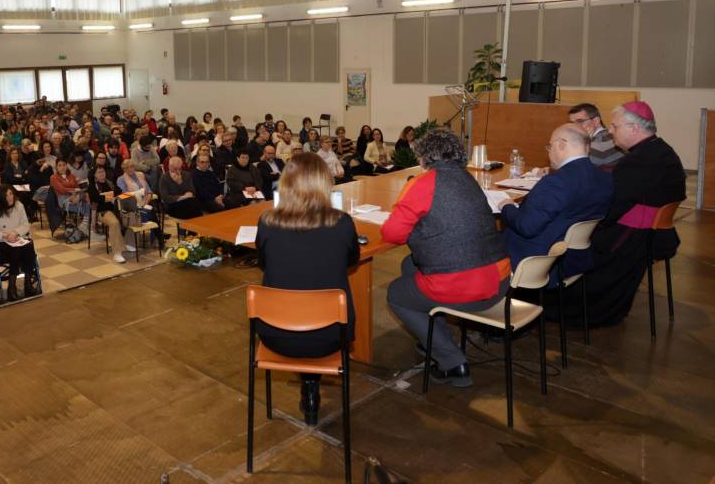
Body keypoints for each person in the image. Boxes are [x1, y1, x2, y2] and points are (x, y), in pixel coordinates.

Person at [382, 129, 511, 387]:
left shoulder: (422, 183)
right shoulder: (468, 178)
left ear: (423, 157)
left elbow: (393, 233)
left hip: (461, 286)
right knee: (409, 265)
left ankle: (453, 363)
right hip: (500, 279)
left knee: (396, 294)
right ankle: (431, 334)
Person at [255, 152, 360, 426]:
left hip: (274, 333)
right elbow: (351, 261)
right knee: (322, 299)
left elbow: (264, 264)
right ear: (325, 184)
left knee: (297, 297)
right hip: (330, 336)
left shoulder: (267, 221)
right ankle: (311, 386)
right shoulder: (342, 223)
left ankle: (309, 387)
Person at [579, 102, 686, 327]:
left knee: (572, 243)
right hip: (653, 233)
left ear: (634, 128)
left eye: (615, 126)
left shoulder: (640, 160)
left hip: (635, 239)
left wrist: (586, 220)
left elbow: (612, 207)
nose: (610, 130)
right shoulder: (659, 150)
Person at [498, 124, 614, 280]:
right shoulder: (605, 179)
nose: (549, 152)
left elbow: (527, 227)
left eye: (549, 146)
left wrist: (507, 206)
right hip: (574, 257)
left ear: (561, 144)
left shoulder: (556, 182)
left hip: (537, 260)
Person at [0, 185, 38, 301]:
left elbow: (25, 224)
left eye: (11, 194)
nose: (10, 197)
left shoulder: (19, 205)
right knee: (15, 250)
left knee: (29, 246)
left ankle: (28, 283)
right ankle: (11, 287)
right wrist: (4, 235)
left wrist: (15, 233)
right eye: (6, 195)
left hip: (17, 238)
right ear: (0, 197)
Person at [87, 166, 134, 263]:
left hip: (115, 208)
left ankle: (128, 243)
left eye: (103, 171)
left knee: (131, 216)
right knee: (114, 223)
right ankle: (117, 253)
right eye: (99, 172)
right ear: (95, 175)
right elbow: (95, 199)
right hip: (102, 212)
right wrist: (107, 197)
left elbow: (119, 191)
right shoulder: (92, 185)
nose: (102, 173)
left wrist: (110, 194)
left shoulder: (109, 182)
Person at [568, 103, 623, 169]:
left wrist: (586, 142)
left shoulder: (599, 143)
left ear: (596, 121)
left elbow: (576, 169)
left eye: (580, 121)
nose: (574, 126)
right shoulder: (608, 135)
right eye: (572, 123)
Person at [159, 156, 203, 221]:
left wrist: (180, 183)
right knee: (194, 210)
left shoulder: (186, 175)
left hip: (187, 202)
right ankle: (194, 229)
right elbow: (165, 197)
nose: (178, 171)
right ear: (169, 167)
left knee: (194, 203)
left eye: (179, 168)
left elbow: (192, 191)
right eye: (175, 169)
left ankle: (193, 229)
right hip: (172, 205)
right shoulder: (164, 178)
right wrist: (181, 197)